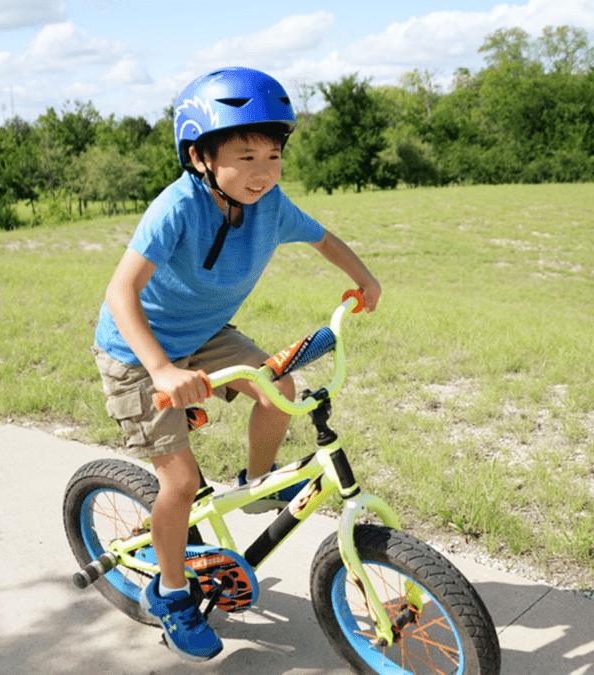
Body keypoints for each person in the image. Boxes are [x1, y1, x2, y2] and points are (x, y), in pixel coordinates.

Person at [91, 67, 380, 662]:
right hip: (138, 351)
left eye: (273, 156)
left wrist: (364, 278)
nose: (262, 172)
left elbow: (323, 239)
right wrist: (163, 371)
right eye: (245, 157)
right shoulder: (177, 207)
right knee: (179, 483)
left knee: (280, 385)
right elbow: (121, 293)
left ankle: (255, 484)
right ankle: (172, 595)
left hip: (205, 334)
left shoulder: (270, 205)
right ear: (201, 157)